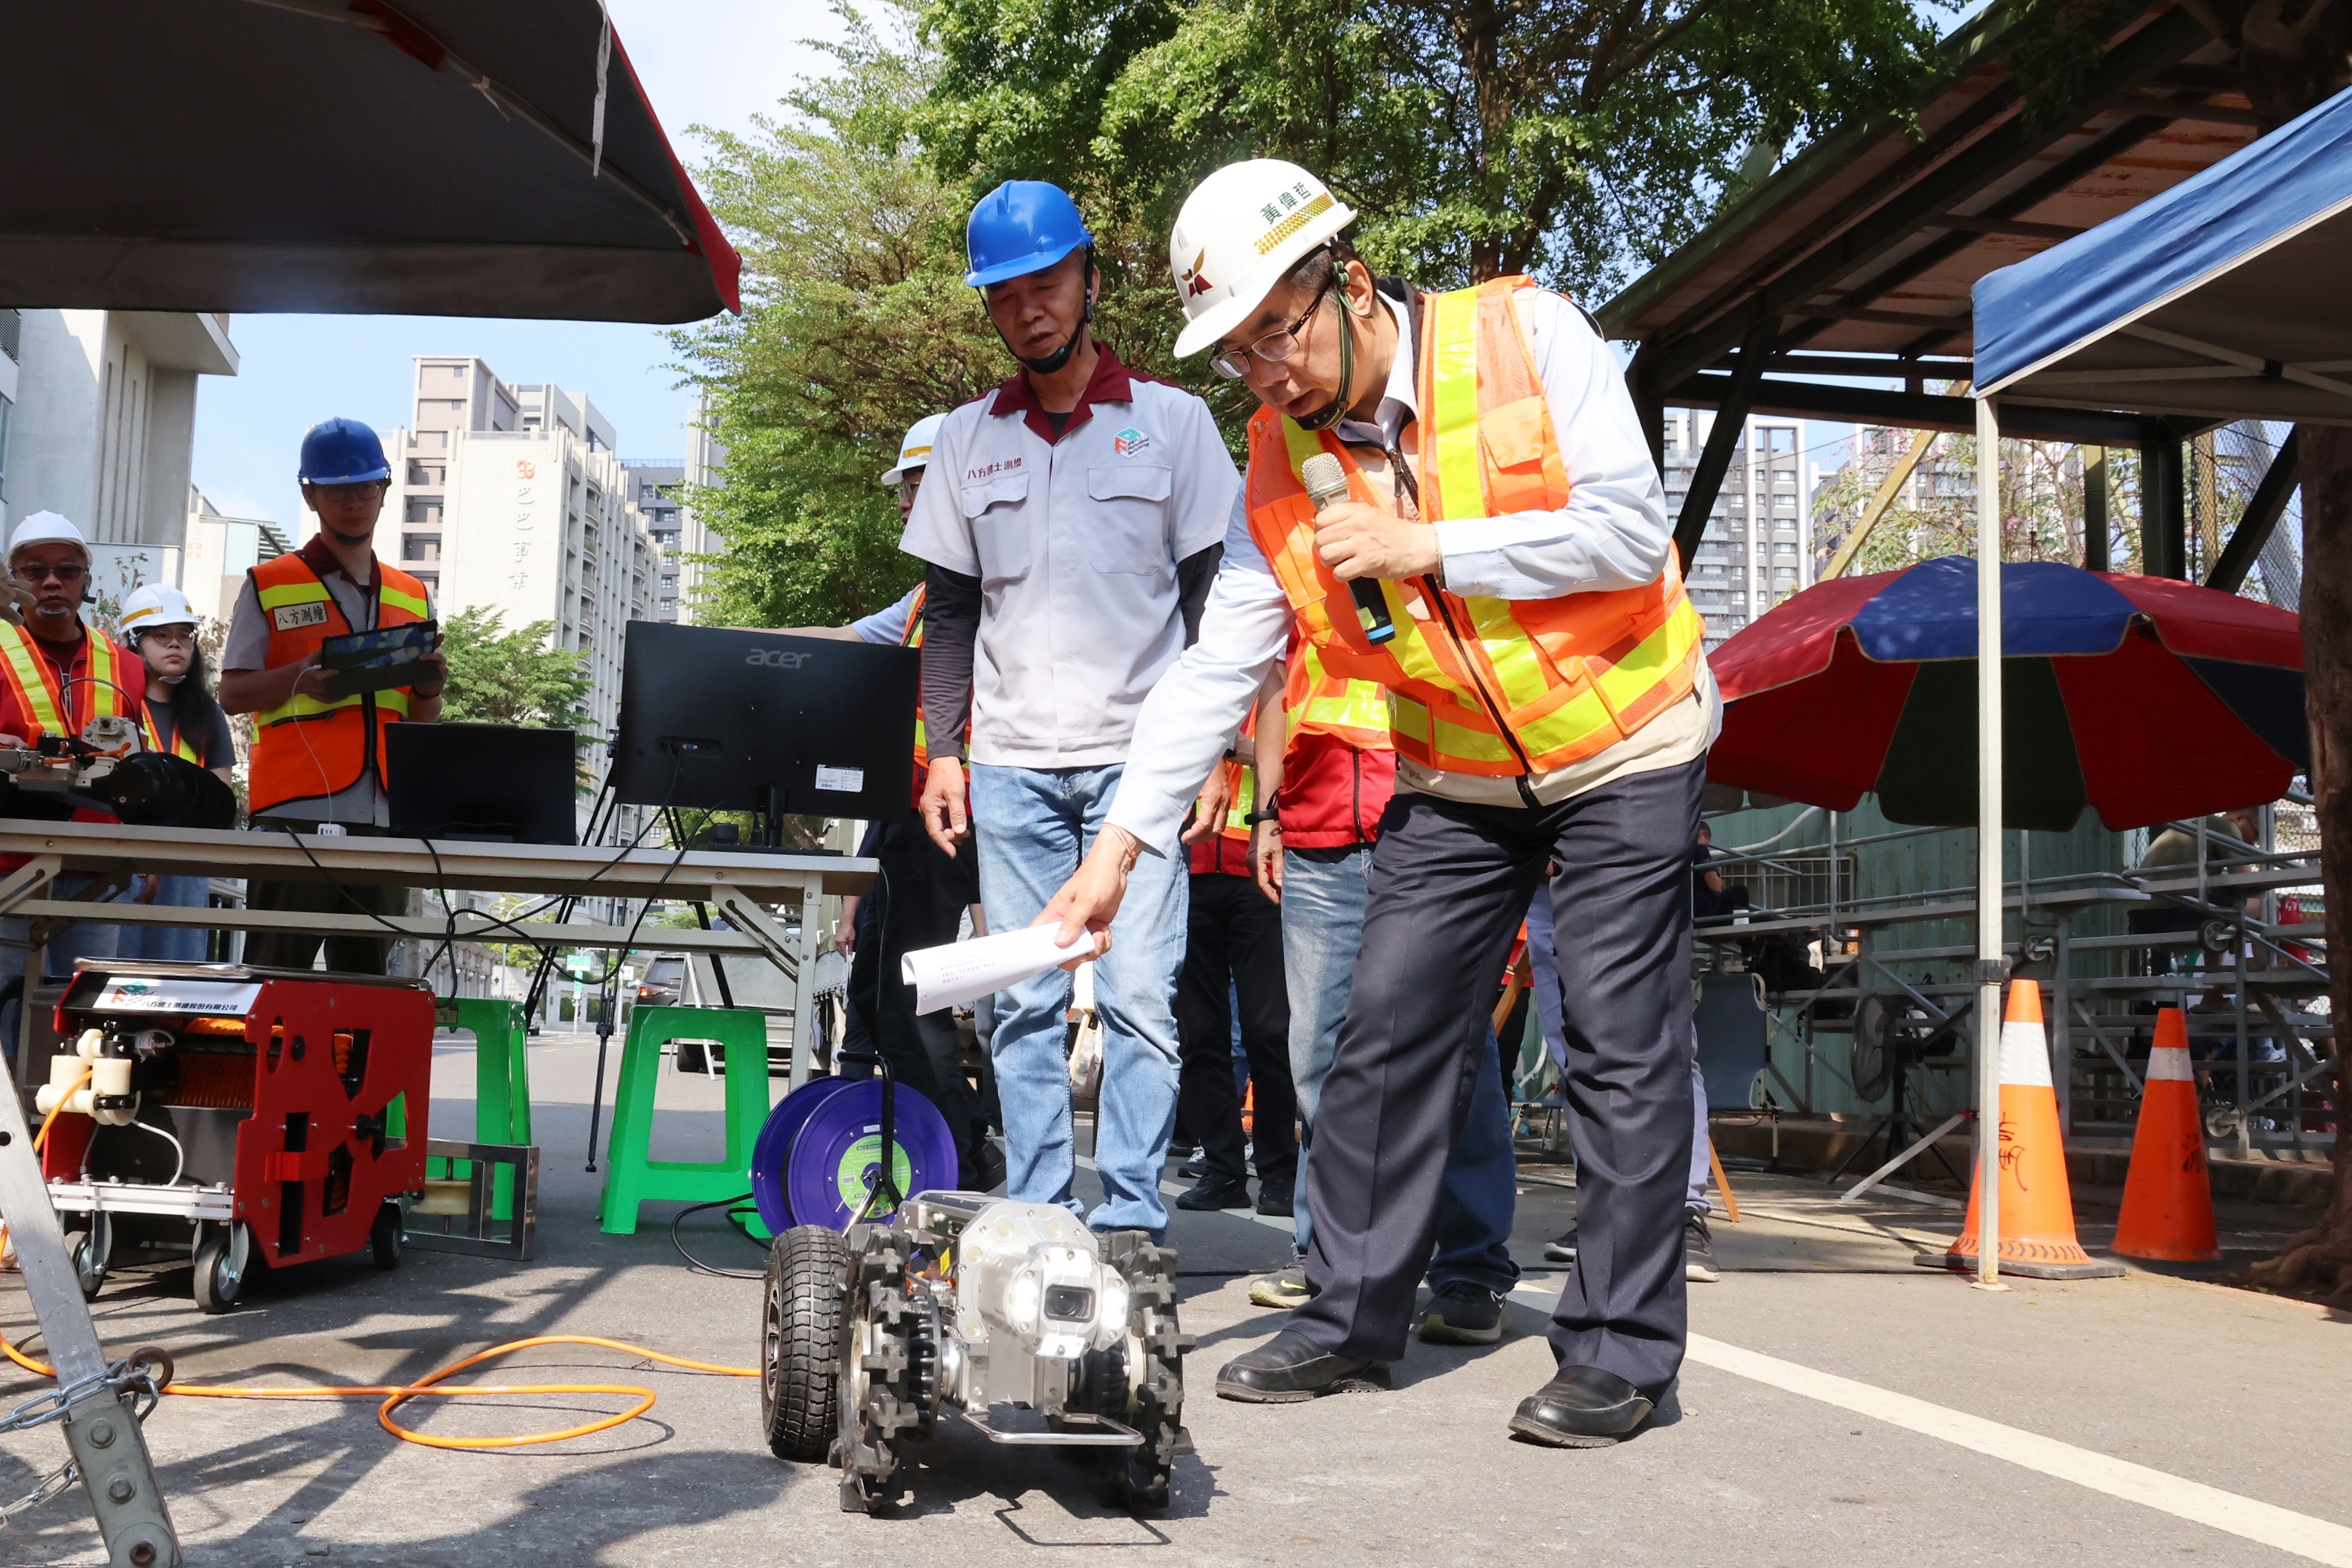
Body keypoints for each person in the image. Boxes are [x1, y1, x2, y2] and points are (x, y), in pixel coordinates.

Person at [1038, 158, 1716, 1445]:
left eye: (1275, 333)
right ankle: (1348, 1317)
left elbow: (1628, 533)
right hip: (1456, 772)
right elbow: (1219, 661)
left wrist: (1433, 547)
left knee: (1616, 1051)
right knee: (1383, 1032)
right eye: (1237, 356)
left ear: (1345, 285)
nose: (1267, 373)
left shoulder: (1528, 335)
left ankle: (1621, 1354)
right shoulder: (1276, 462)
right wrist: (1121, 842)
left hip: (1624, 738)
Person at [902, 180, 1240, 1239]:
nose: (1028, 309)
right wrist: (946, 753)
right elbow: (950, 612)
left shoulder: (1174, 425)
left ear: (1090, 280)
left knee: (1142, 998)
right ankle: (1042, 1215)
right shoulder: (962, 441)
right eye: (1004, 295)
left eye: (1046, 282)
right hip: (1005, 769)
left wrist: (1216, 753)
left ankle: (1132, 1220)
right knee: (1020, 1003)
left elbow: (1214, 603)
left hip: (1138, 769)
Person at [1246, 638, 1524, 1343]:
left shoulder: (1437, 530)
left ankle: (1471, 1266)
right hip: (1317, 827)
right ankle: (1327, 1251)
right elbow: (1281, 687)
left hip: (1435, 813)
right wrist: (1267, 812)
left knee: (1459, 1051)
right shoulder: (1290, 549)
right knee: (1316, 1055)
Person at [795, 413, 1001, 1191]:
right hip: (919, 816)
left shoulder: (1002, 584)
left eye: (925, 485)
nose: (914, 502)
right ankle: (954, 1146)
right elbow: (850, 639)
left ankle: (963, 1152)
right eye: (909, 490)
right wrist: (747, 643)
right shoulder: (923, 599)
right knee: (891, 999)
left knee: (937, 1001)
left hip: (983, 815)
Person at [219, 417, 445, 974]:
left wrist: (429, 691)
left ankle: (355, 1068)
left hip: (385, 816)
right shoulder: (269, 582)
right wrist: (298, 676)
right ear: (309, 493)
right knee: (277, 976)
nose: (353, 501)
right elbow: (230, 693)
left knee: (368, 986)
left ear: (385, 490)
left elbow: (422, 720)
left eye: (364, 486)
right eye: (337, 488)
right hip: (294, 814)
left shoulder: (413, 594)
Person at [0, 511, 152, 1045]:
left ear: (87, 580)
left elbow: (144, 763)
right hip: (9, 866)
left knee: (84, 1024)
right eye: (34, 569)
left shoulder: (127, 664)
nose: (50, 582)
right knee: (4, 1011)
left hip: (97, 870)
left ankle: (65, 1126)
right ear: (12, 577)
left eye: (66, 570)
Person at [1528, 884, 1719, 1281]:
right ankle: (1606, 1210)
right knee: (1573, 1055)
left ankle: (1682, 1213)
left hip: (1636, 869)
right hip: (1547, 887)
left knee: (1667, 1050)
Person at [1171, 708, 1297, 1216]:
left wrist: (1246, 748)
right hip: (1190, 865)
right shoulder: (1196, 676)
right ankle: (1222, 1168)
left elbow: (1300, 754)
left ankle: (1279, 1172)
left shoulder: (1281, 684)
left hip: (1261, 867)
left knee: (1270, 1031)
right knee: (1200, 1031)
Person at [115, 583, 237, 964]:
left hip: (184, 862)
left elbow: (220, 799)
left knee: (177, 975)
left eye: (185, 636)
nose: (176, 645)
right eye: (161, 636)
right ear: (133, 643)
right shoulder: (116, 706)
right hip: (124, 858)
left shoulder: (207, 714)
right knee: (116, 973)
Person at [1690, 821, 1750, 924]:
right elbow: (1716, 886)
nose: (1707, 846)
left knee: (1753, 914)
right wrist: (1718, 879)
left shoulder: (1679, 856)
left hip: (1691, 915)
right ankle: (1744, 931)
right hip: (1709, 912)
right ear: (1703, 834)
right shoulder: (1700, 849)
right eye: (1707, 842)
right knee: (1741, 891)